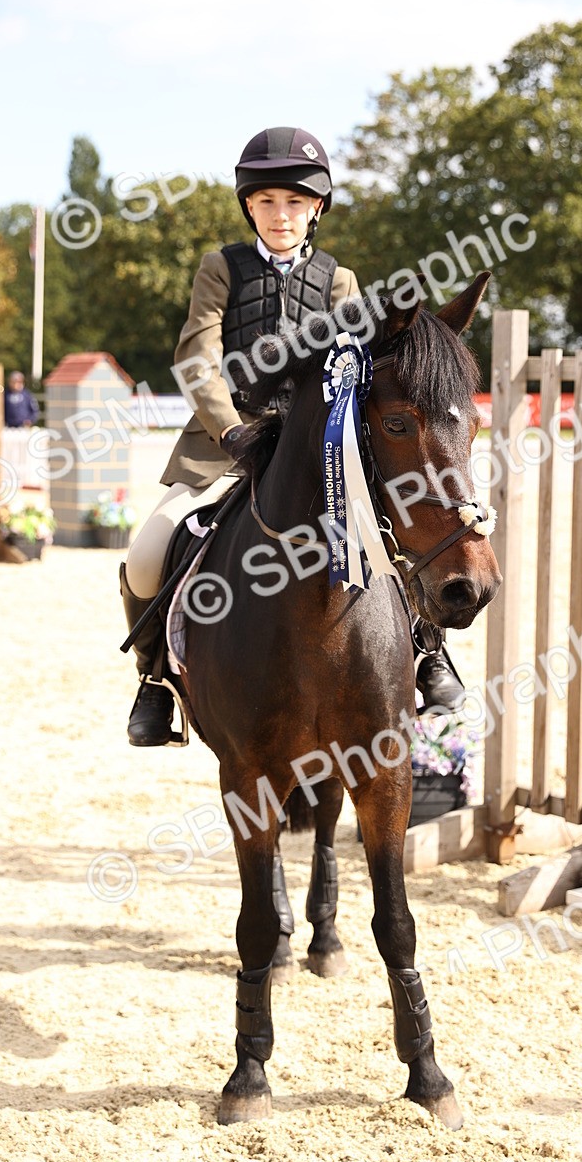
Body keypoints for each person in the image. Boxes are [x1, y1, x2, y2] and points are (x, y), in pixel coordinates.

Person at [120, 126, 466, 746]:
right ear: (249, 207)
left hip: (315, 452)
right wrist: (229, 431)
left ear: (316, 210)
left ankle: (427, 652)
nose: (282, 216)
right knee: (147, 554)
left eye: (296, 204)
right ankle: (155, 683)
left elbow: (354, 369)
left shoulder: (339, 280)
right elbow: (198, 356)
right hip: (223, 444)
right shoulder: (220, 268)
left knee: (392, 536)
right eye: (268, 203)